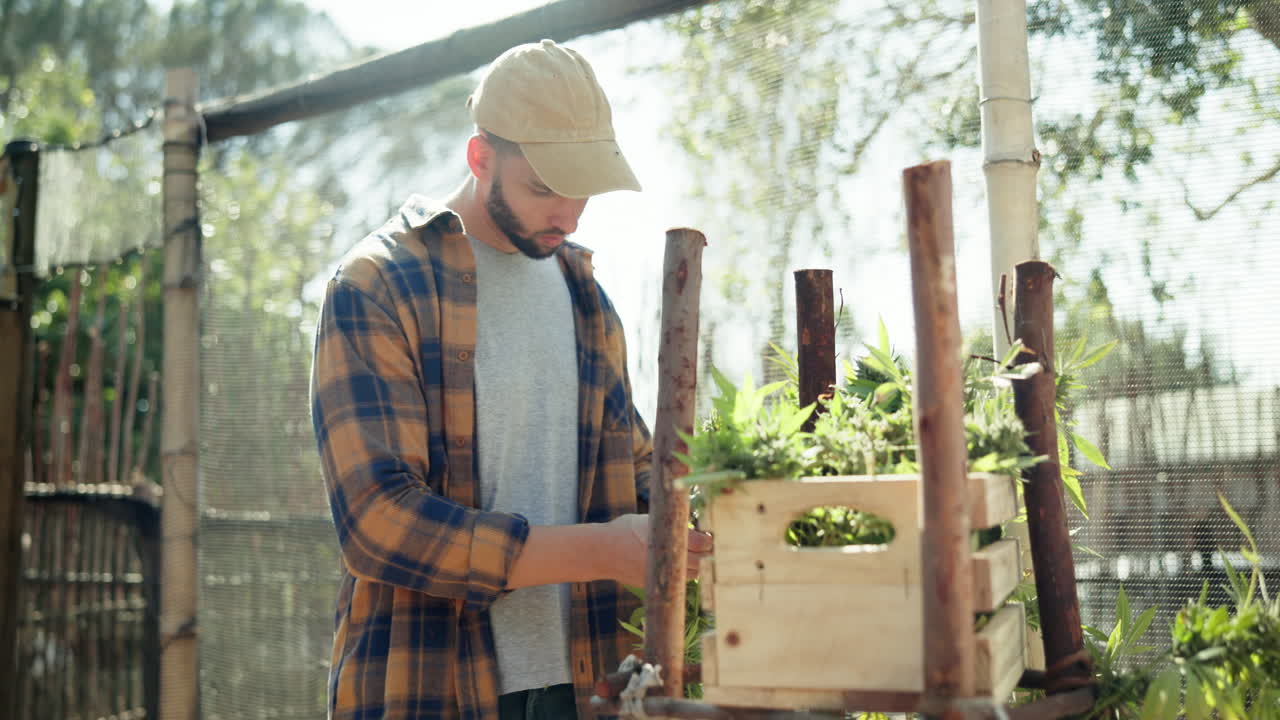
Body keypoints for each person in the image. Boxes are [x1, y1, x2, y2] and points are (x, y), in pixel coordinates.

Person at [310, 39, 712, 720]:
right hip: (431, 688)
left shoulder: (589, 302)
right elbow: (378, 521)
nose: (570, 214)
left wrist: (710, 517)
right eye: (545, 187)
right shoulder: (377, 284)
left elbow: (638, 471)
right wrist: (599, 551)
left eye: (582, 188)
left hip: (588, 687)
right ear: (480, 158)